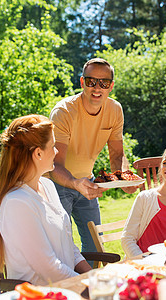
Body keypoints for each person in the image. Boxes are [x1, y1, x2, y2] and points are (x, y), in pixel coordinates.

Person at [0, 114, 92, 285]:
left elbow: (69, 246)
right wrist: (91, 283)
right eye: (53, 146)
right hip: (42, 294)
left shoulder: (48, 186)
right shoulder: (17, 203)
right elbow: (48, 269)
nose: (57, 151)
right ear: (38, 153)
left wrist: (96, 275)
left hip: (66, 288)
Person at [49, 58, 137, 253]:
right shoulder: (63, 112)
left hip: (87, 181)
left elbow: (117, 154)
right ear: (82, 83)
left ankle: (89, 283)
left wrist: (125, 178)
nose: (97, 88)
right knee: (61, 247)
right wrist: (74, 183)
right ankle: (68, 284)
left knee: (96, 246)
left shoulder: (115, 110)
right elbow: (55, 165)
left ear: (111, 86)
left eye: (104, 83)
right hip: (58, 183)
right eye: (91, 81)